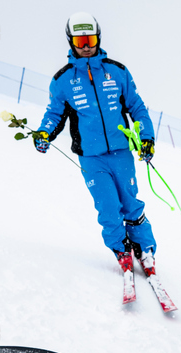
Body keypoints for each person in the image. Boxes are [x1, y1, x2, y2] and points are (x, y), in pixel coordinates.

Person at [34, 12, 158, 275]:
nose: (86, 46)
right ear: (71, 43)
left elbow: (137, 107)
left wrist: (146, 138)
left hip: (121, 151)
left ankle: (144, 248)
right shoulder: (62, 80)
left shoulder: (118, 71)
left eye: (90, 39)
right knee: (107, 206)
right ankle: (120, 249)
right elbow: (54, 114)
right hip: (91, 156)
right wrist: (44, 133)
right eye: (80, 42)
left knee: (130, 202)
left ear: (98, 38)